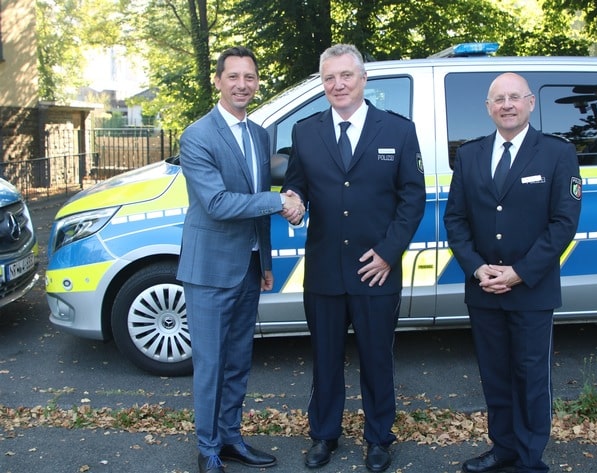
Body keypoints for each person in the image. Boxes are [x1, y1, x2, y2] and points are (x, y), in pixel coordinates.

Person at [282, 44, 426, 473]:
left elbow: (412, 198)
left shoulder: (398, 130)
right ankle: (324, 434)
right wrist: (294, 201)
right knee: (325, 360)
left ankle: (379, 437)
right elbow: (296, 185)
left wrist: (388, 253)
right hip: (324, 269)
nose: (338, 84)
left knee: (377, 360)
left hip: (376, 271)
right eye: (329, 78)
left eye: (346, 75)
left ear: (363, 79)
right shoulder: (306, 132)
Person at [443, 72, 582, 473]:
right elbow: (455, 219)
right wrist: (476, 268)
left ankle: (529, 459)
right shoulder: (470, 155)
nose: (507, 105)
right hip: (484, 288)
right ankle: (503, 448)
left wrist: (520, 272)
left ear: (530, 103)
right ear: (488, 108)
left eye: (514, 97)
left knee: (531, 377)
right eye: (498, 99)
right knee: (495, 376)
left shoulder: (556, 153)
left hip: (531, 288)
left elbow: (563, 222)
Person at [176, 46, 303, 473]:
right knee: (211, 365)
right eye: (233, 76)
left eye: (249, 77)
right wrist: (278, 200)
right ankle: (208, 448)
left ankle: (231, 438)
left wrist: (265, 261)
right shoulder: (198, 135)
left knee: (237, 362)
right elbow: (216, 203)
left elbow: (255, 203)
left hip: (248, 267)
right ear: (218, 81)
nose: (242, 85)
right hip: (209, 270)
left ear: (257, 82)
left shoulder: (259, 134)